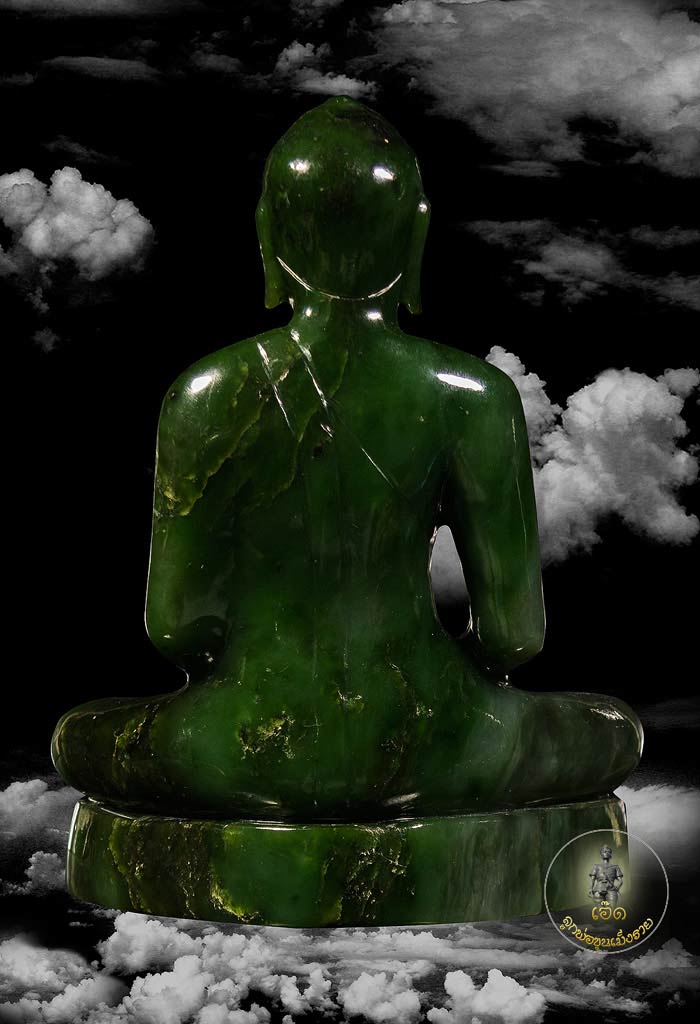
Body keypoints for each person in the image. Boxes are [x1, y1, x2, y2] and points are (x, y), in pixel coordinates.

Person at [52, 97, 643, 823]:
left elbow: (176, 626)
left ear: (267, 234)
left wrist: (261, 682)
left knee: (80, 738)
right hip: (434, 738)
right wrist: (429, 693)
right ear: (417, 234)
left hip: (241, 743)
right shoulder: (476, 397)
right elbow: (513, 638)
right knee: (613, 730)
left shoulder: (202, 394)